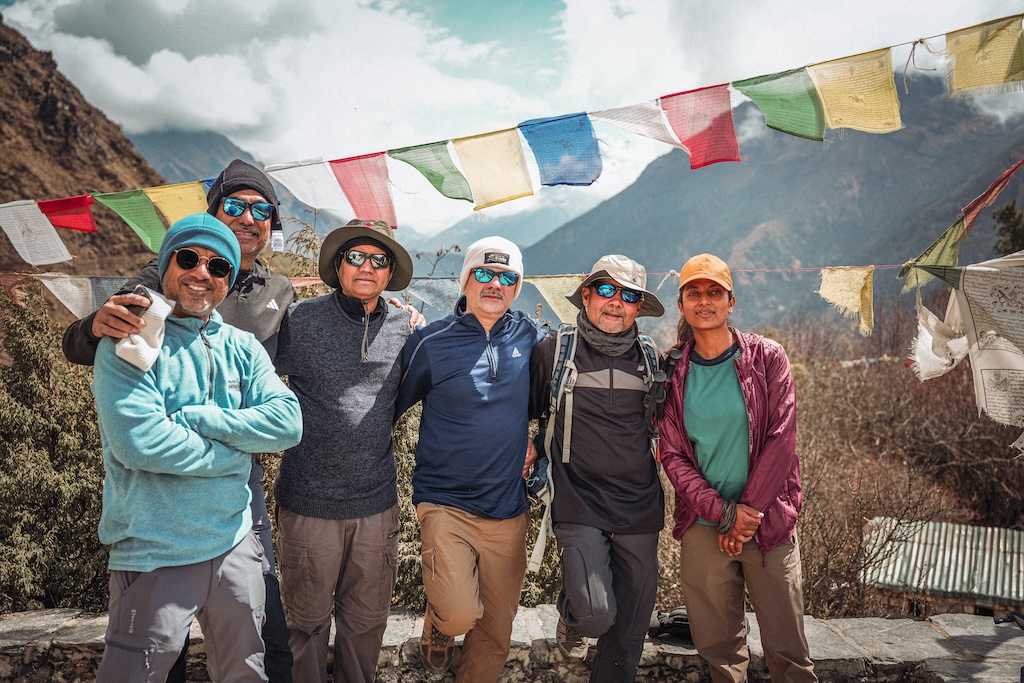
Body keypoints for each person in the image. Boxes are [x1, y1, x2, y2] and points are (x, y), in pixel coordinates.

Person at [62, 159, 298, 682]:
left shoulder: (276, 296)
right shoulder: (142, 311)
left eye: (261, 210)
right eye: (189, 259)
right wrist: (235, 455)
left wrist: (201, 419)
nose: (202, 272)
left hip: (236, 520)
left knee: (259, 652)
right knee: (151, 665)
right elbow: (140, 441)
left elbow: (288, 415)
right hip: (158, 533)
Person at [396, 236, 549, 683]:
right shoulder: (431, 342)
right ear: (465, 280)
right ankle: (440, 622)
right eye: (483, 273)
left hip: (508, 509)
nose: (494, 284)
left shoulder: (532, 337)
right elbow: (387, 404)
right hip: (445, 504)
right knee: (460, 612)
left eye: (506, 277)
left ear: (517, 286)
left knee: (496, 632)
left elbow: (561, 393)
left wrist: (538, 440)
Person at [658, 254, 816, 683]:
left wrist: (746, 515)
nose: (704, 301)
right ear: (681, 305)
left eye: (715, 292)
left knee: (789, 650)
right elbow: (672, 454)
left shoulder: (767, 358)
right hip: (704, 525)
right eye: (694, 293)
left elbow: (781, 440)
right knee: (721, 653)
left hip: (768, 524)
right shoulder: (672, 372)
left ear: (731, 302)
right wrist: (723, 514)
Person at [272, 218, 415, 683]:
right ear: (339, 266)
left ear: (389, 272)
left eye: (378, 260)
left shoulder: (405, 327)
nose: (366, 267)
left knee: (366, 623)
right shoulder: (300, 320)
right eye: (355, 257)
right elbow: (249, 371)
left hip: (375, 504)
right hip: (308, 503)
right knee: (306, 623)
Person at [528, 254, 666, 682]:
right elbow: (520, 412)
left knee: (630, 633)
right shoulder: (555, 352)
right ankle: (572, 614)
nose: (615, 302)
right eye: (606, 289)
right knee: (594, 616)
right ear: (586, 295)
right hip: (577, 501)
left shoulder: (652, 359)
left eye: (629, 296)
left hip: (639, 507)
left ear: (639, 308)